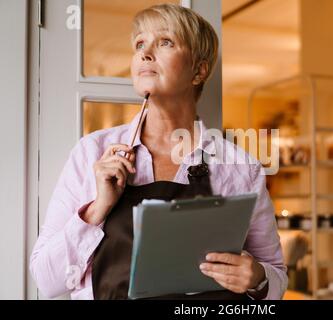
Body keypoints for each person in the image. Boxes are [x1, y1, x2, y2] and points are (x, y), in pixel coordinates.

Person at [30, 3, 287, 300]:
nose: (145, 53)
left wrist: (257, 277)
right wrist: (98, 208)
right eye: (140, 43)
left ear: (199, 71)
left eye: (165, 42)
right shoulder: (92, 153)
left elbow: (276, 277)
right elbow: (46, 281)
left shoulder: (242, 167)